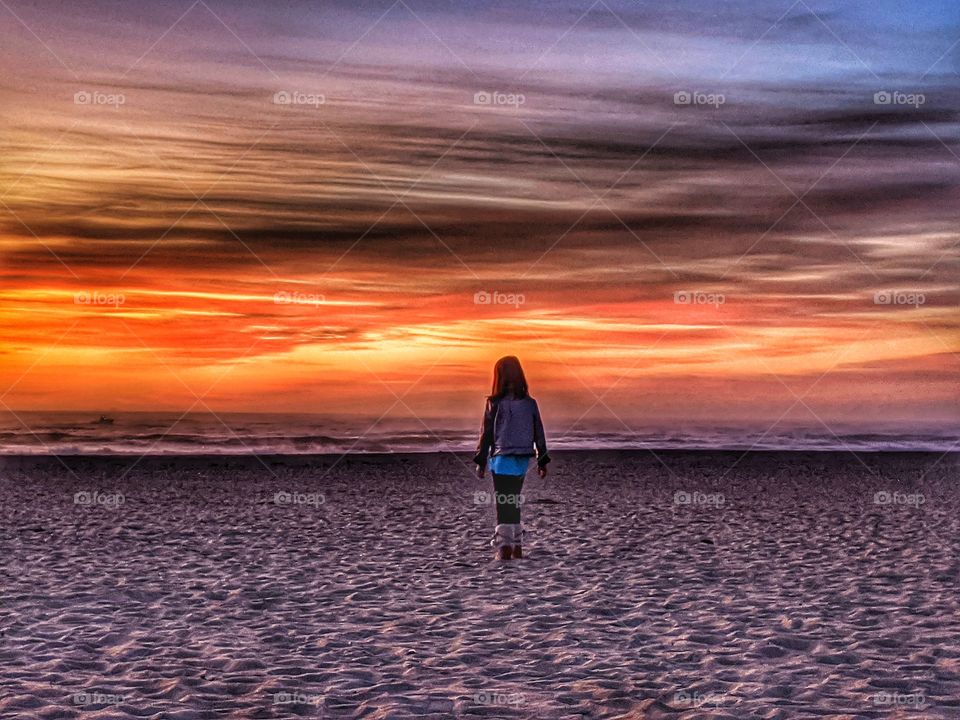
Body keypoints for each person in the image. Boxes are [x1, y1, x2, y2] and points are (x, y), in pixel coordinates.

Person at [473, 356, 549, 560]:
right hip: (523, 457)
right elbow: (538, 431)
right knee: (513, 500)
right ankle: (517, 547)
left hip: (502, 455)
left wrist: (480, 461)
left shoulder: (494, 403)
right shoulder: (530, 403)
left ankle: (505, 548)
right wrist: (542, 460)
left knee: (503, 502)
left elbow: (486, 433)